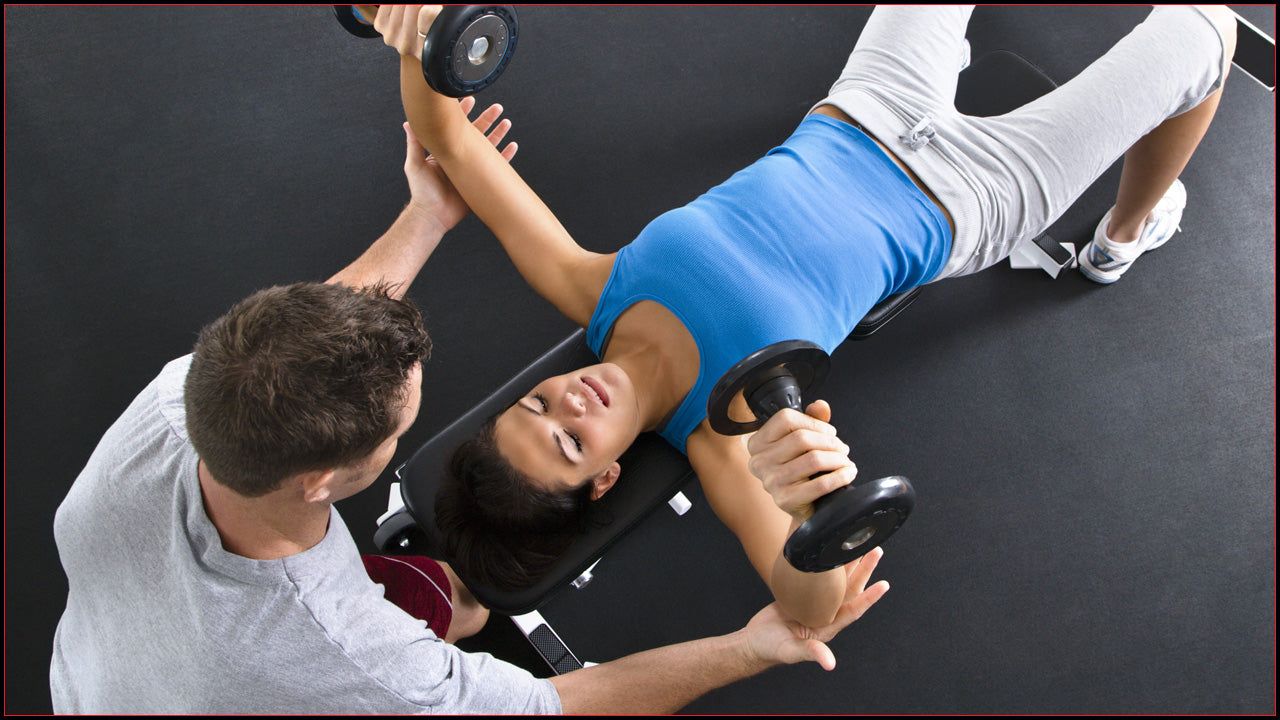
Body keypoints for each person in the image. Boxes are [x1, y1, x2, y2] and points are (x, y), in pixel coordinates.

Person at [371, 4, 1240, 629]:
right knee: (1208, 33)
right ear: (604, 479)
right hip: (975, 196)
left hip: (866, 108)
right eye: (570, 443)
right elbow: (809, 603)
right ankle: (1122, 237)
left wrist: (416, 32)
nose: (571, 402)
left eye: (537, 404)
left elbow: (451, 140)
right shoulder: (723, 439)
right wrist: (797, 501)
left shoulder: (596, 289)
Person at [48, 88, 891, 714]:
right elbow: (561, 709)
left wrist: (425, 217)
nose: (562, 401)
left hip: (88, 678)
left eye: (532, 405)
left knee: (429, 592)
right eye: (402, 424)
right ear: (323, 480)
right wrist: (750, 648)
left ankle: (446, 592)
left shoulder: (177, 405)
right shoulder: (353, 657)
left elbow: (305, 335)